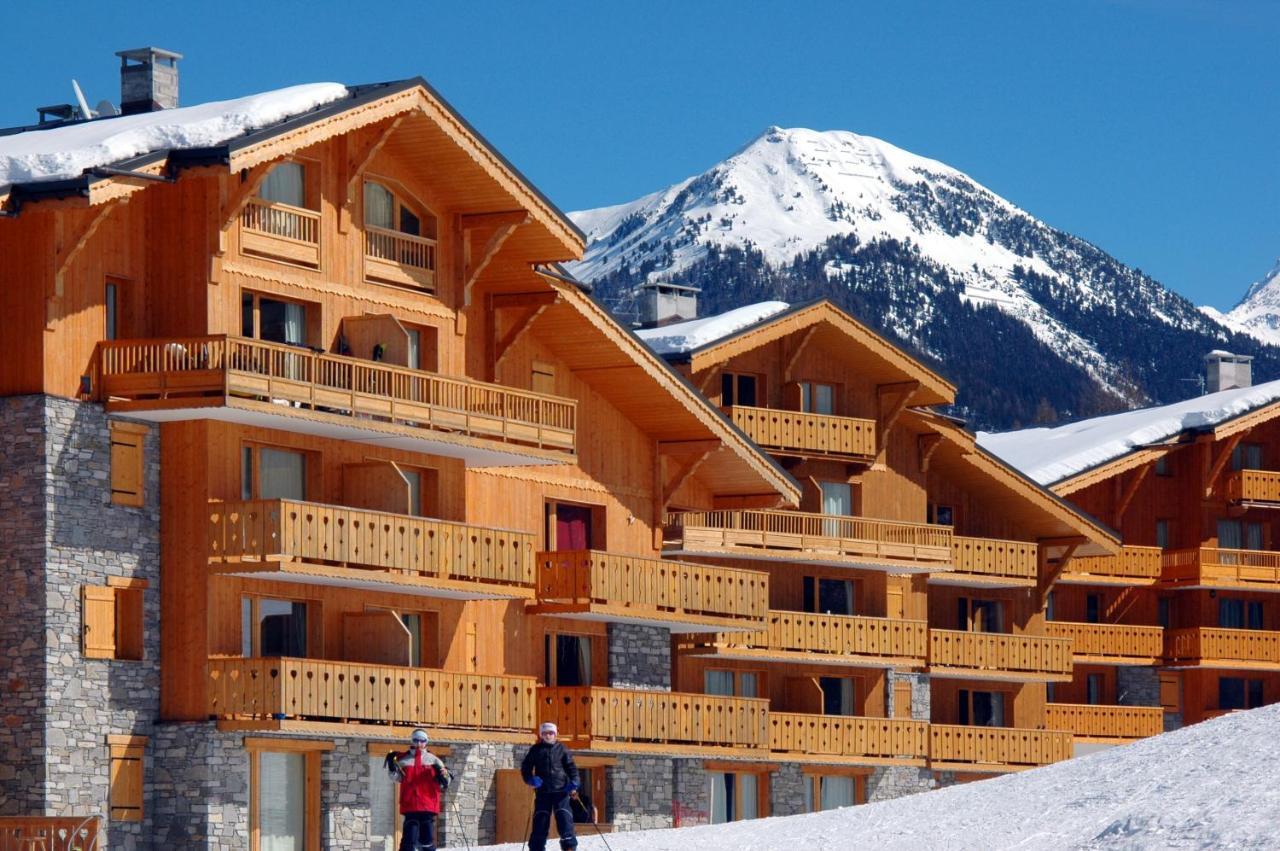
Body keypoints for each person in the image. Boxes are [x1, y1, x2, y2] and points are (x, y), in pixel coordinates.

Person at [385, 728, 450, 851]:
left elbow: (446, 779)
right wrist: (392, 769)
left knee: (427, 840)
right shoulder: (404, 759)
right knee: (409, 840)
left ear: (426, 742)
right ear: (412, 741)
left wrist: (443, 776)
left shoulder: (433, 759)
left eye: (422, 740)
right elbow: (397, 778)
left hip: (428, 805)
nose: (419, 743)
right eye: (416, 740)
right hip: (410, 804)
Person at [520, 721, 579, 851]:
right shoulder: (536, 750)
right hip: (543, 792)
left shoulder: (562, 749)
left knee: (565, 820)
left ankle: (569, 847)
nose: (548, 736)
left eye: (551, 733)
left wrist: (574, 781)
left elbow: (571, 767)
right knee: (540, 821)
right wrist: (530, 779)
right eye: (545, 733)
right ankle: (536, 848)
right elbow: (526, 768)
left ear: (555, 735)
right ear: (541, 735)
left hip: (561, 792)